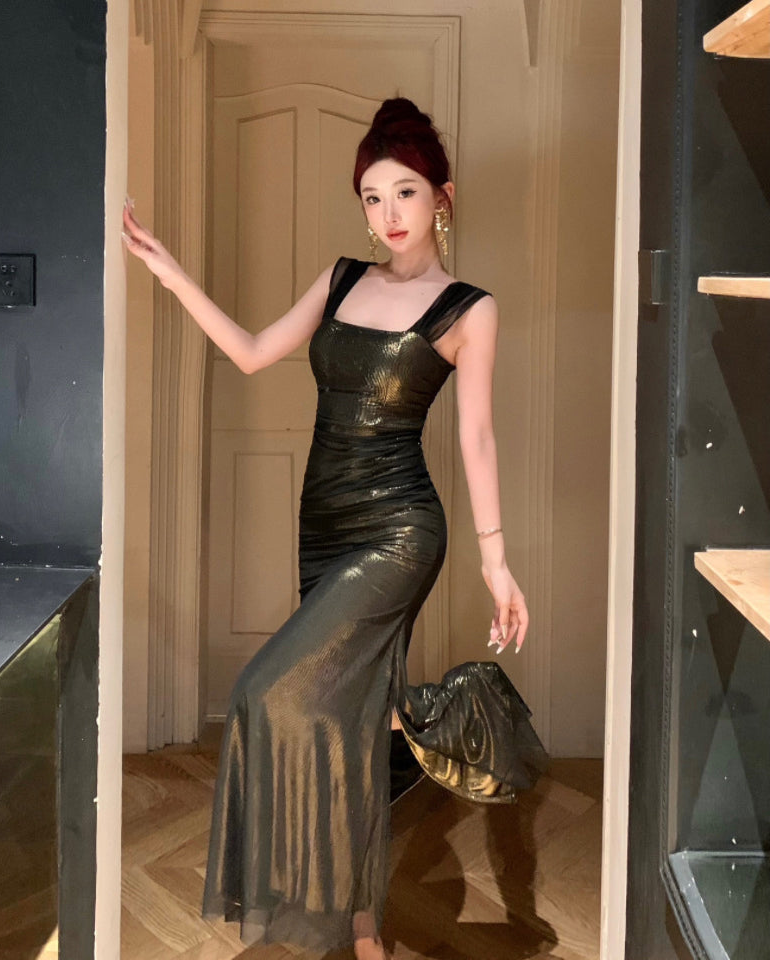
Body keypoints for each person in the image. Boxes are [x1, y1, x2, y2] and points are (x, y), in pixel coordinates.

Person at [122, 97, 548, 960]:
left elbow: (476, 436)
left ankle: (433, 713)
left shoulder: (469, 309)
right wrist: (171, 275)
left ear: (443, 197)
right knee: (345, 723)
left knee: (265, 690)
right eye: (372, 198)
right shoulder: (343, 280)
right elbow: (252, 352)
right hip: (323, 524)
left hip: (400, 531)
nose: (388, 214)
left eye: (405, 193)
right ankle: (362, 930)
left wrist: (496, 563)